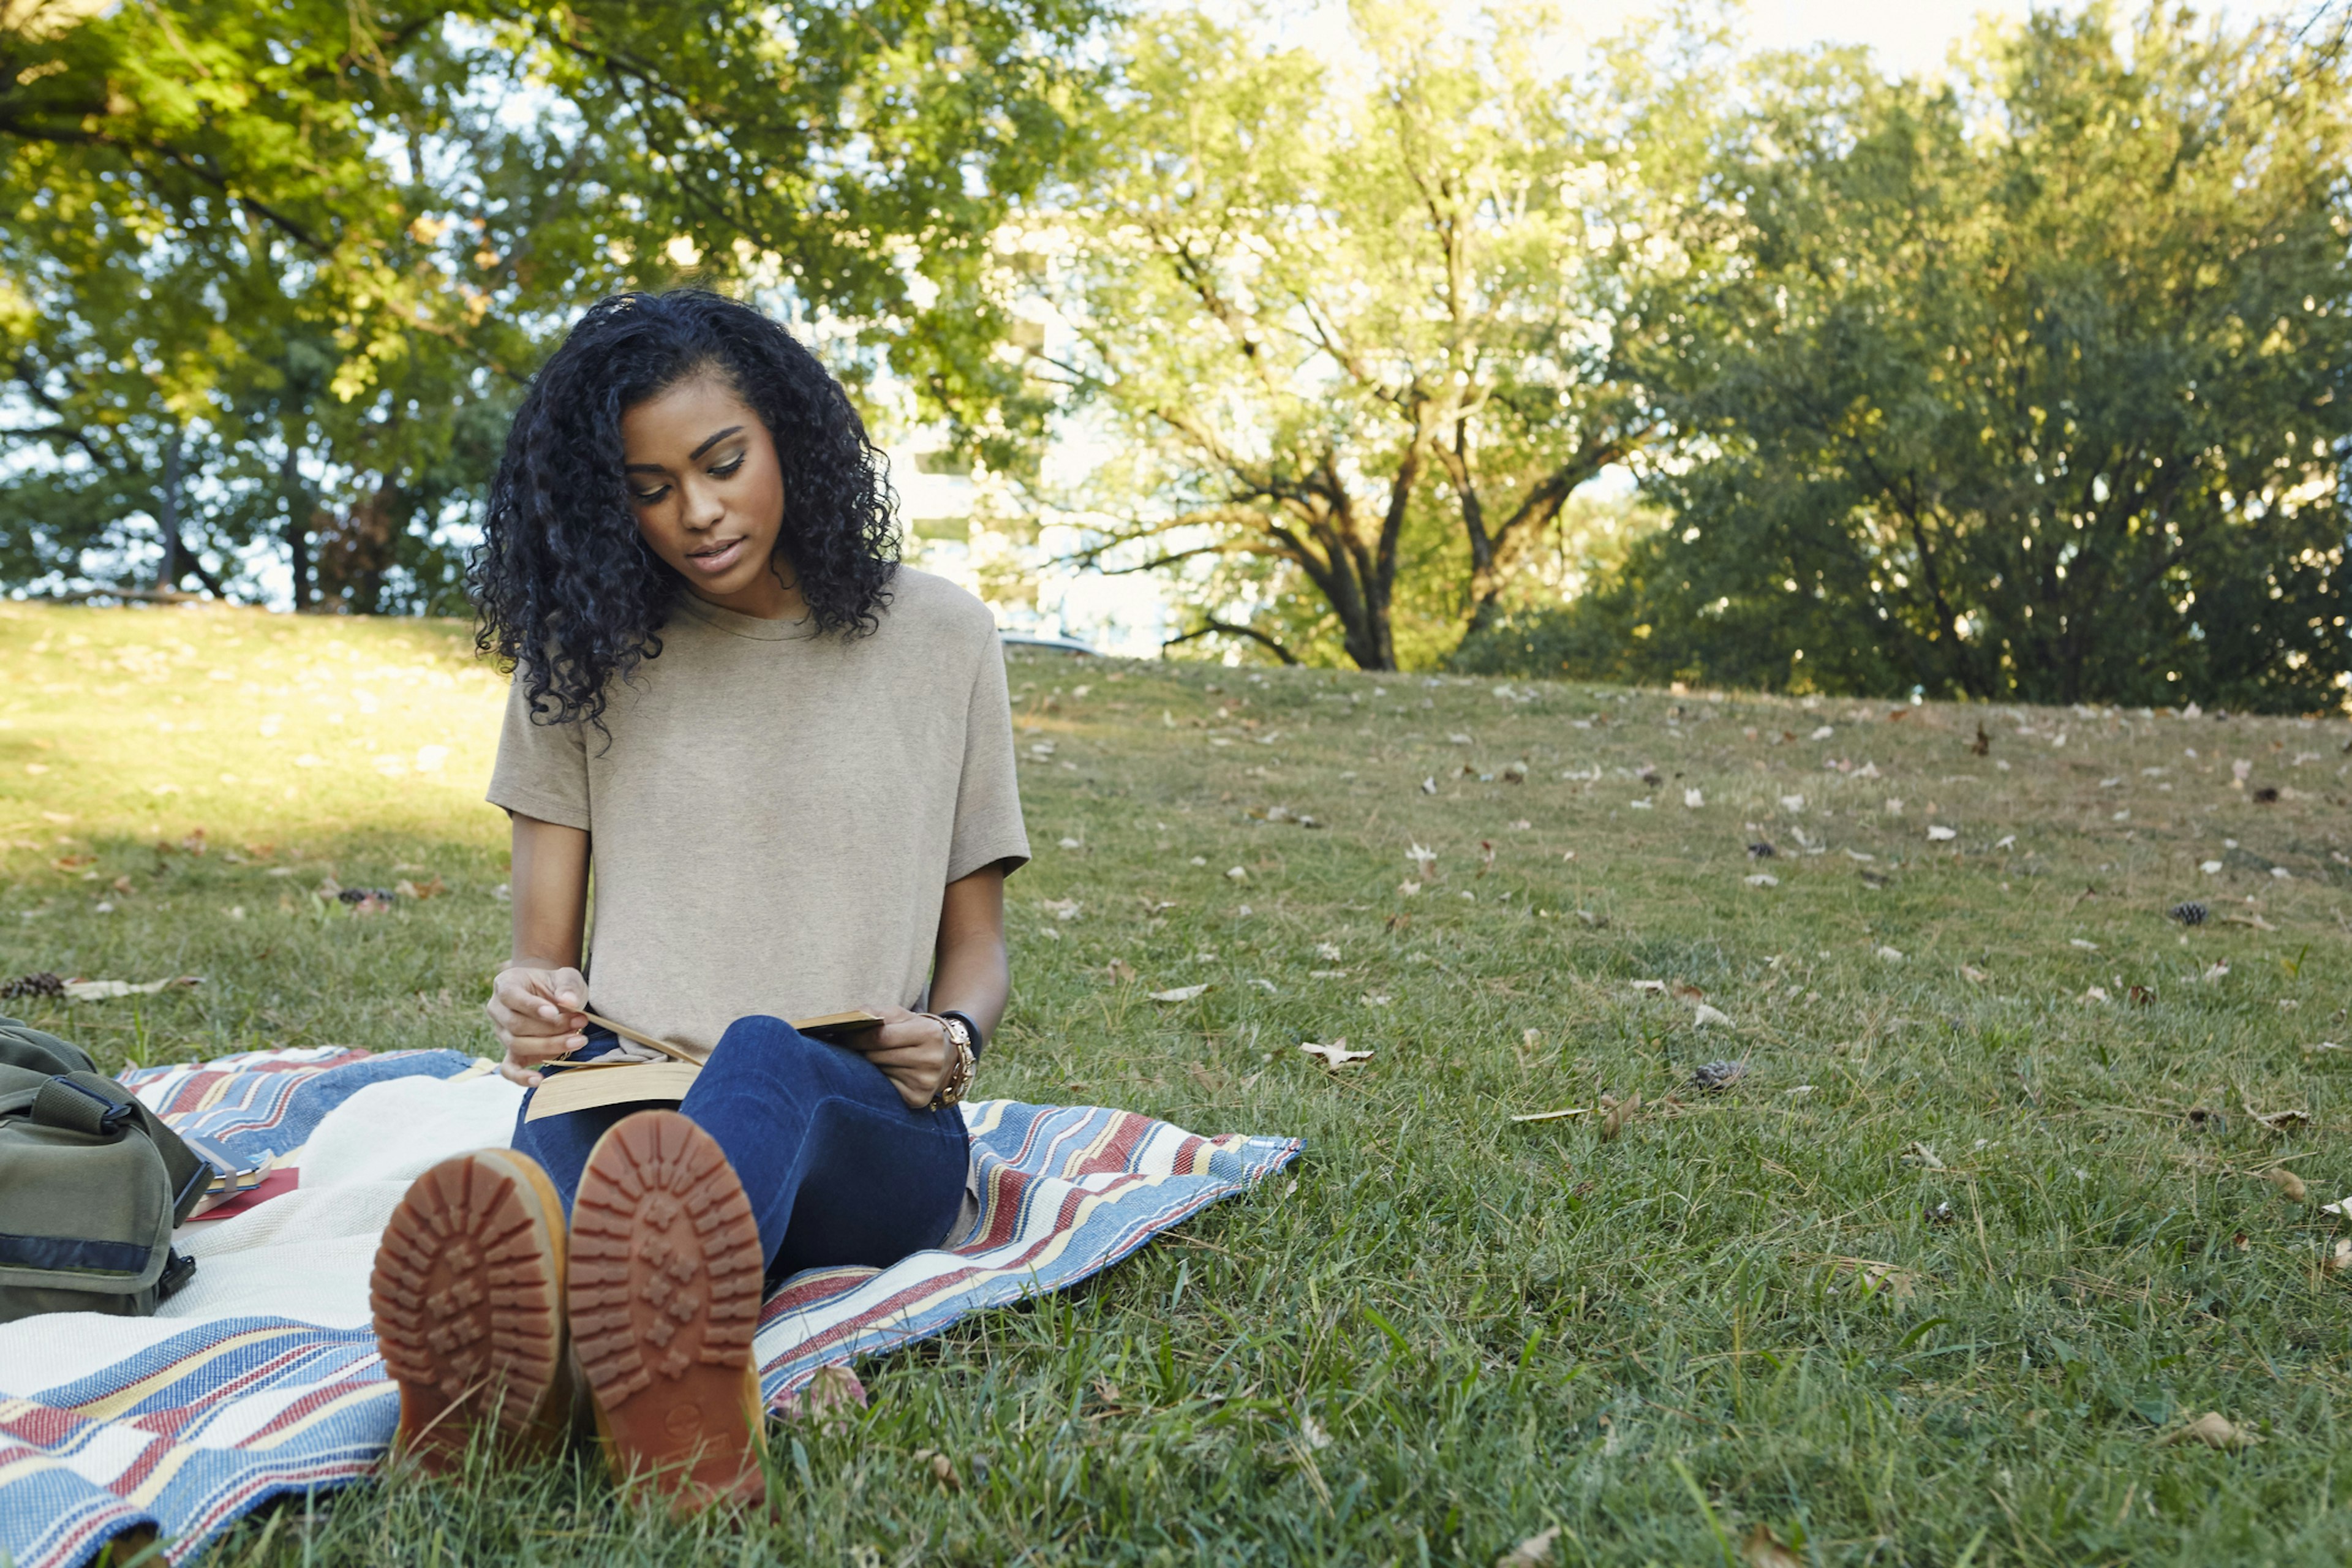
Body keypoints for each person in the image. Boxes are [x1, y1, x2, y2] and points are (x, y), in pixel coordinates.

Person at [366, 290, 1027, 1514]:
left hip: (858, 1109)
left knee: (759, 1062)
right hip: (621, 1085)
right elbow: (538, 966)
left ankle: (630, 1349)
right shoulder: (581, 656)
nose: (697, 510)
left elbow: (977, 947)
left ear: (788, 433)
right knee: (555, 1186)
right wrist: (530, 1004)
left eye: (722, 463)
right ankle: (561, 1380)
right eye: (650, 485)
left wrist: (957, 1038)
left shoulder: (942, 635)